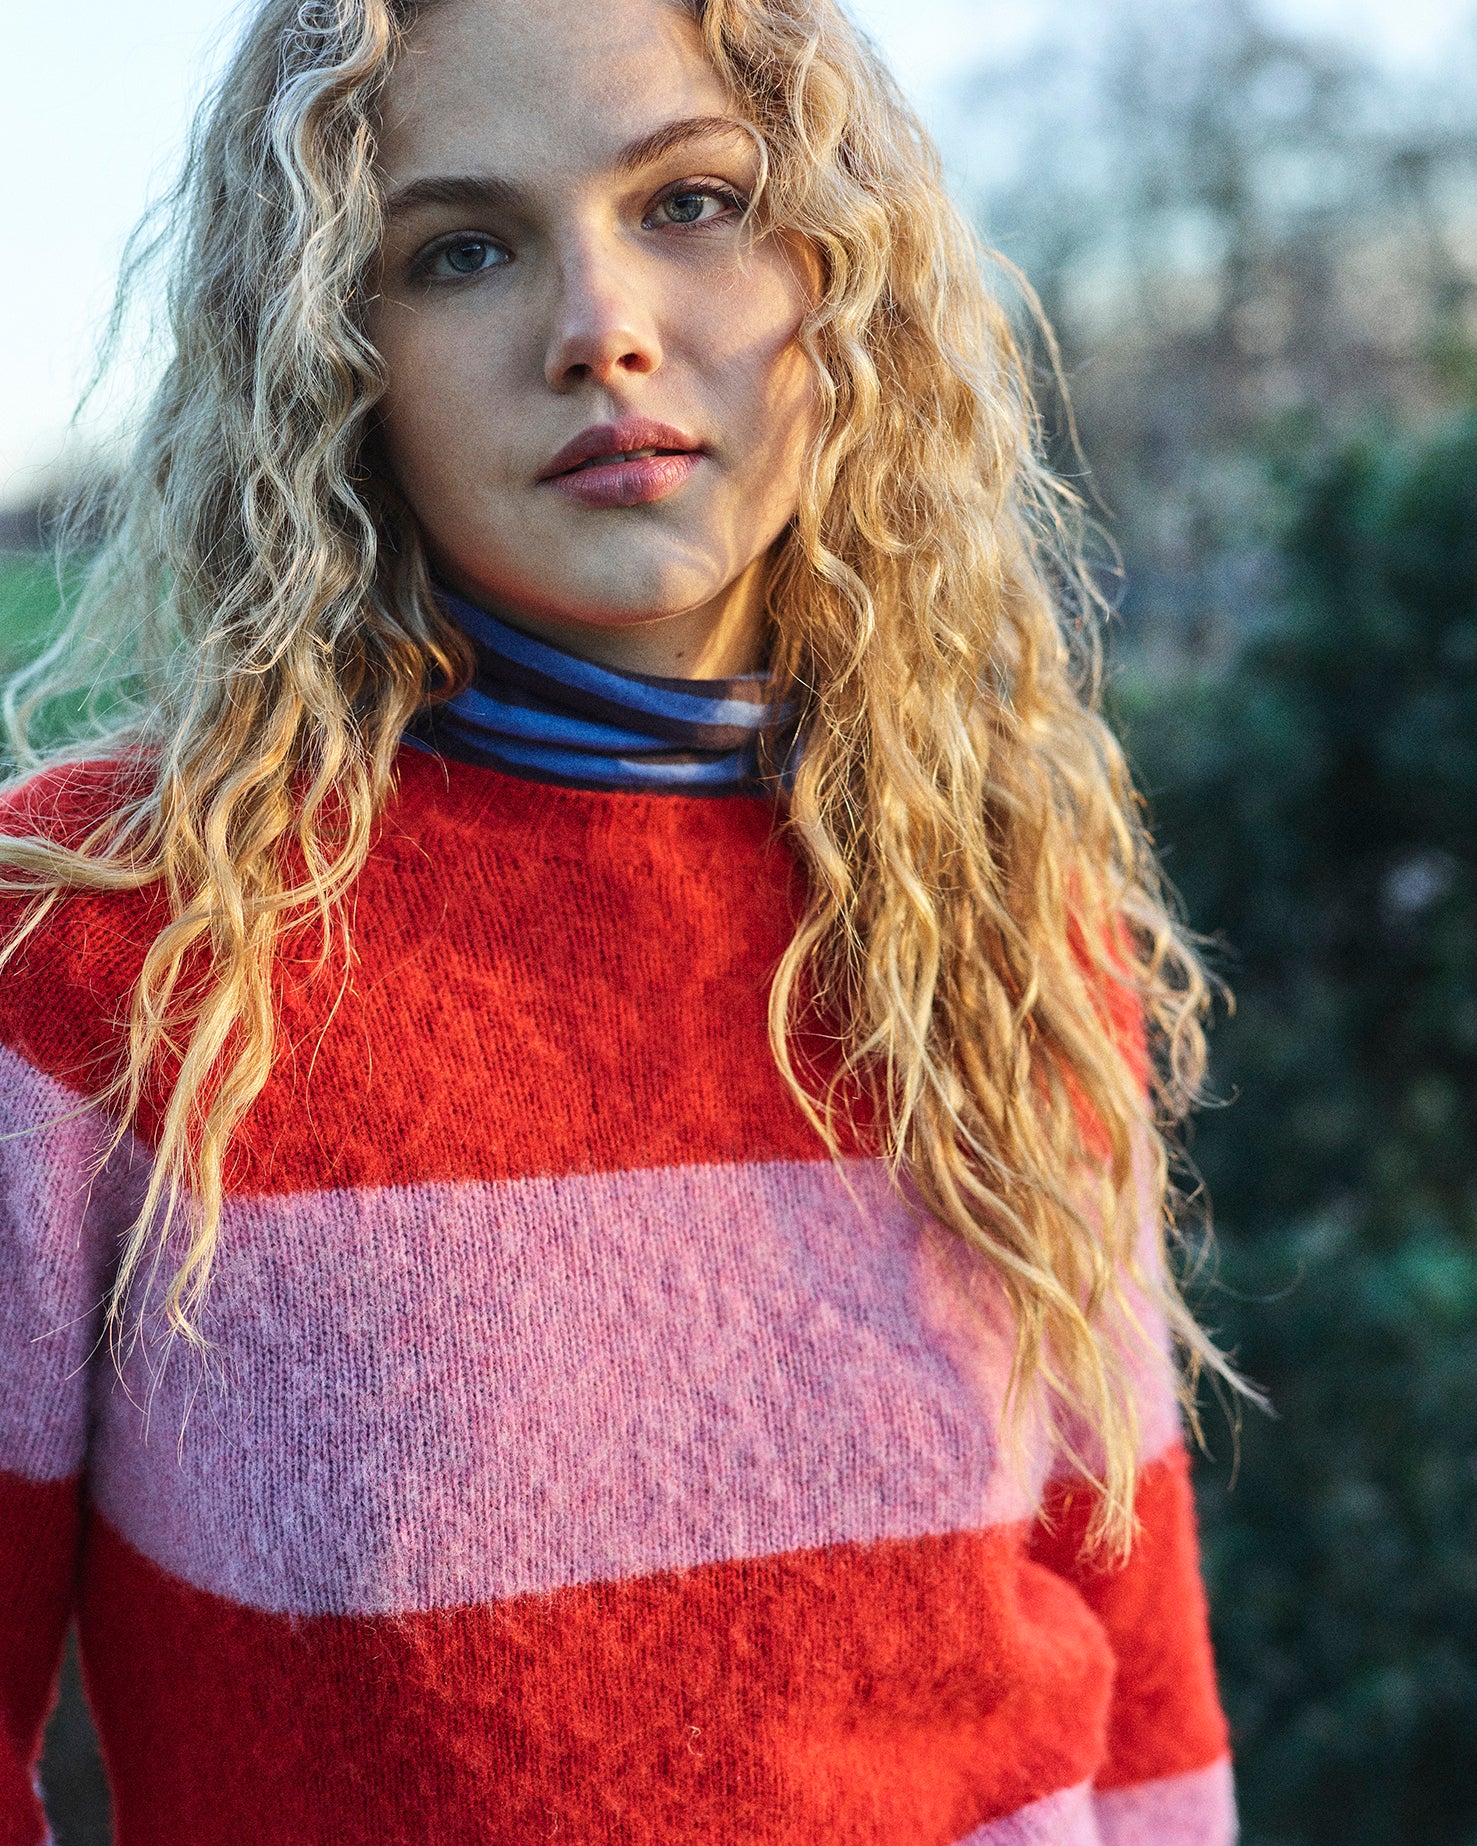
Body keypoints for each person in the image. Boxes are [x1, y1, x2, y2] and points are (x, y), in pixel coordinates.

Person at [0, 0, 1244, 1840]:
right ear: (332, 348)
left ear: (839, 263)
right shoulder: (104, 939)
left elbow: (1136, 1677)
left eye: (691, 203)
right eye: (460, 250)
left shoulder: (993, 891)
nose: (602, 326)